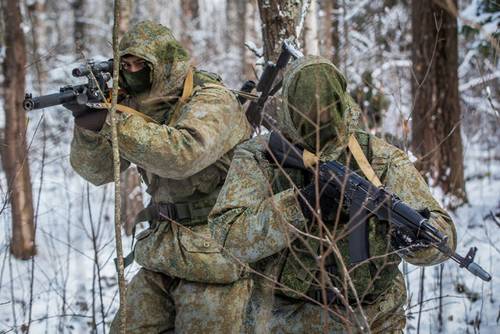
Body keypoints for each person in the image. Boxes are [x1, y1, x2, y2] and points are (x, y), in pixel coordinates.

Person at [208, 56, 457, 333]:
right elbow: (227, 236)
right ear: (289, 106)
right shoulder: (260, 157)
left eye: (325, 108)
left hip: (375, 319)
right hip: (285, 319)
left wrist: (418, 243)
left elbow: (443, 233)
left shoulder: (379, 159)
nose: (317, 119)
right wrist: (301, 205)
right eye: (306, 111)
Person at [68, 20, 252, 333]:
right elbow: (97, 172)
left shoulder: (212, 99)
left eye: (142, 64)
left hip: (218, 253)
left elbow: (183, 155)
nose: (133, 71)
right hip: (163, 251)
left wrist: (116, 123)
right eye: (126, 64)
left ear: (166, 65)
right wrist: (89, 127)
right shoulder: (136, 107)